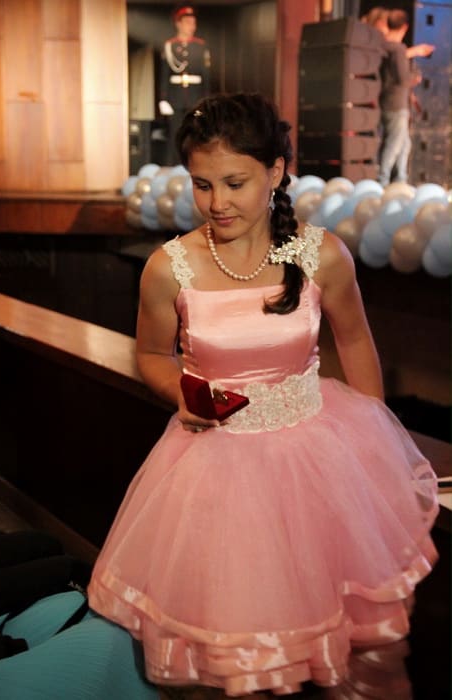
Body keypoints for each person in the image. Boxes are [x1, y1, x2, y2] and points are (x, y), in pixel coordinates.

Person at [88, 92, 438, 697]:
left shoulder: (322, 254)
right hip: (215, 468)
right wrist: (183, 392)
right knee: (237, 639)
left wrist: (379, 451)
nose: (217, 203)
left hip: (317, 460)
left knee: (351, 636)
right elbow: (151, 355)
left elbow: (356, 342)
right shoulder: (168, 268)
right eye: (202, 185)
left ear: (275, 172)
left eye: (235, 183)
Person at [158, 4, 211, 165]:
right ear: (178, 24)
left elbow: (206, 76)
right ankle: (174, 166)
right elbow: (164, 74)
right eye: (188, 22)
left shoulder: (200, 46)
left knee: (196, 133)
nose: (192, 26)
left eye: (194, 23)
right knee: (175, 133)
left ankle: (195, 165)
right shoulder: (170, 46)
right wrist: (163, 99)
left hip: (196, 96)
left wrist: (206, 100)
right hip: (175, 96)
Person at [377, 9, 423, 187]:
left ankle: (400, 180)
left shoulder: (383, 46)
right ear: (405, 27)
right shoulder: (398, 49)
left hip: (387, 101)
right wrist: (414, 78)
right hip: (396, 103)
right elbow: (403, 79)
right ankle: (383, 180)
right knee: (394, 144)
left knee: (403, 144)